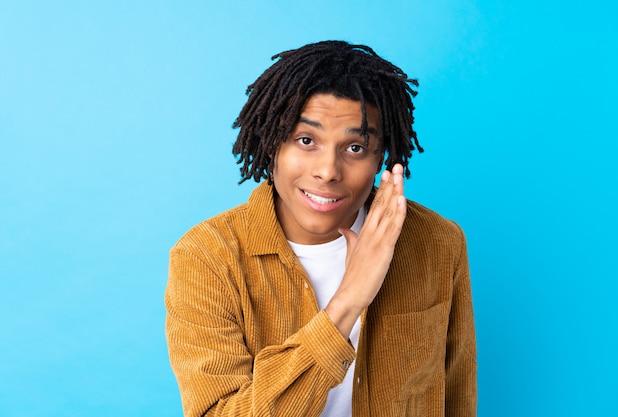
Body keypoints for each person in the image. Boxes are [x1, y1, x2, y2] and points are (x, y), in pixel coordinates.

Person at [165, 40, 477, 417]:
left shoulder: (438, 242)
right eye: (306, 140)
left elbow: (457, 395)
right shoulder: (206, 257)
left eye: (356, 148)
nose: (328, 171)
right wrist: (348, 302)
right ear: (271, 144)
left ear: (383, 156)